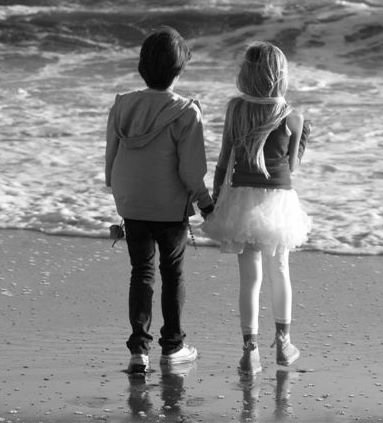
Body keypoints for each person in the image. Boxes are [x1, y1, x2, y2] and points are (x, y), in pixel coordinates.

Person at [105, 26, 214, 374]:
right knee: (172, 272)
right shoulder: (186, 112)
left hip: (131, 203)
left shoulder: (122, 104)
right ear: (179, 70)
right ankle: (173, 347)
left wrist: (118, 191)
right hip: (169, 208)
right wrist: (206, 204)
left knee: (141, 272)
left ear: (142, 66)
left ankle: (139, 350)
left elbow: (111, 157)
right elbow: (191, 171)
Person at [202, 41, 311, 374]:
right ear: (281, 75)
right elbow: (291, 167)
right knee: (280, 271)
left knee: (250, 279)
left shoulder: (236, 110)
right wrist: (302, 140)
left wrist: (216, 199)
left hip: (241, 200)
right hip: (278, 202)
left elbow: (224, 161)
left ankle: (250, 352)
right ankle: (283, 343)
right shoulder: (292, 116)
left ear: (247, 74)